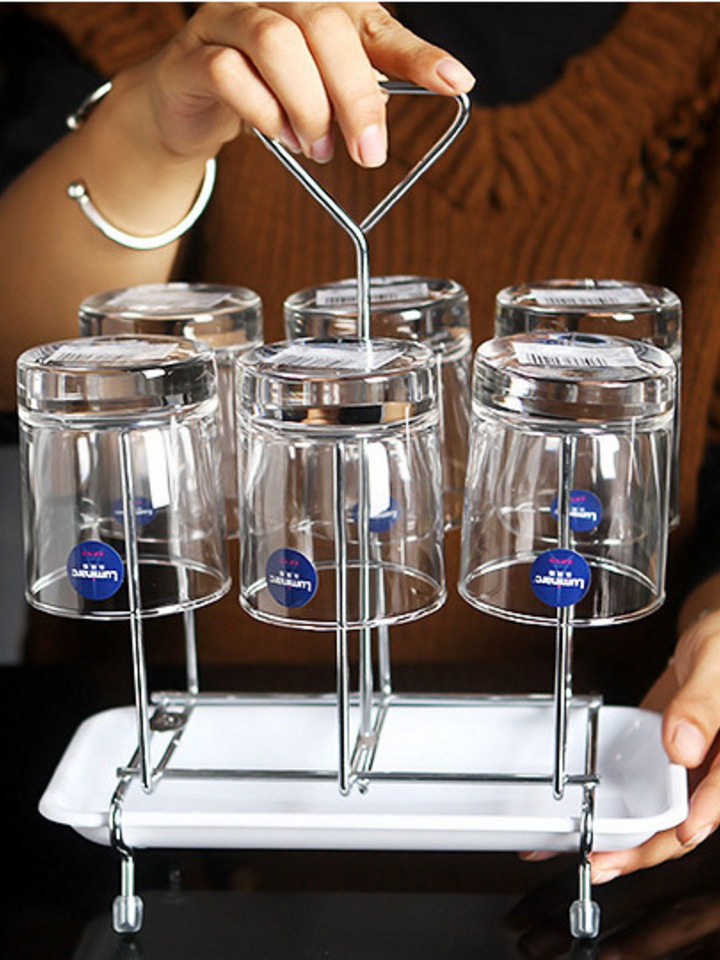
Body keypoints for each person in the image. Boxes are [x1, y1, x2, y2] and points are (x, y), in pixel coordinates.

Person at [2, 1, 720, 887]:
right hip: (180, 807)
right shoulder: (121, 18)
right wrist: (149, 131)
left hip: (618, 767)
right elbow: (25, 363)